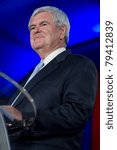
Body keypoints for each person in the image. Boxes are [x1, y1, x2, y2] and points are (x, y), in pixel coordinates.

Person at [1, 6, 98, 150]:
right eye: (32, 27)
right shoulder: (29, 75)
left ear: (61, 31)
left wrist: (24, 117)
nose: (36, 30)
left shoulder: (79, 64)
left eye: (43, 24)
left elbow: (76, 114)